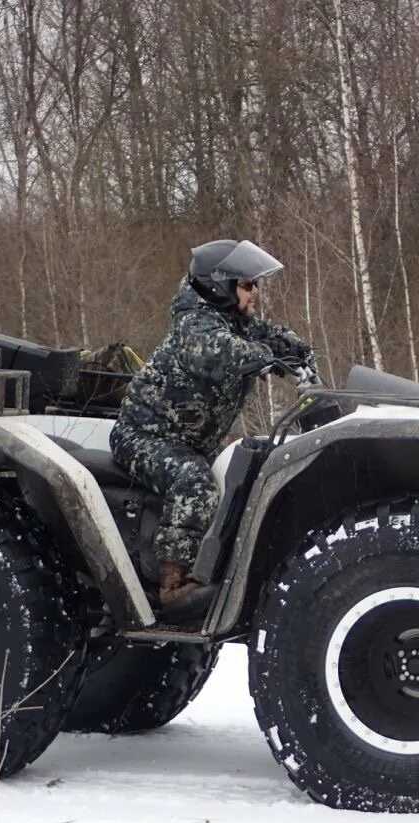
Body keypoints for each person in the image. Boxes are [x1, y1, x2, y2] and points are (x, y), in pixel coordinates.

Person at [110, 239, 312, 618]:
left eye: (255, 285)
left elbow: (269, 335)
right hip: (143, 436)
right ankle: (172, 582)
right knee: (194, 481)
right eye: (247, 285)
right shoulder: (195, 324)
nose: (255, 294)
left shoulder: (235, 323)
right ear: (220, 285)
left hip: (186, 441)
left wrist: (295, 349)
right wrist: (268, 359)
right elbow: (218, 352)